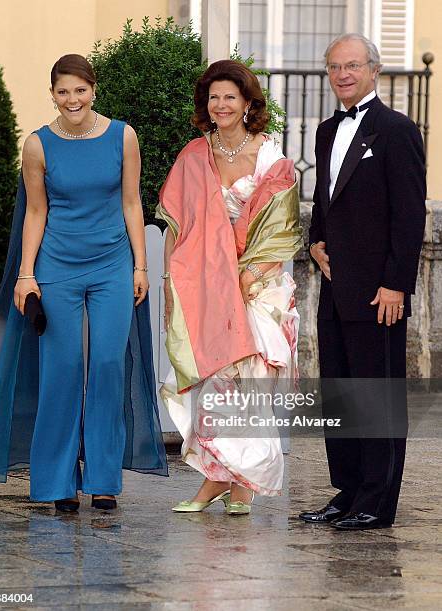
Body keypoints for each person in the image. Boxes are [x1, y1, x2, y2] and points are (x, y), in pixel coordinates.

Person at [0, 54, 167, 512]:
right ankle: (57, 482)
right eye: (63, 91)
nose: (72, 99)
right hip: (57, 267)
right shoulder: (37, 145)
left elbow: (132, 203)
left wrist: (140, 266)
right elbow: (35, 212)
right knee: (60, 372)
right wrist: (27, 275)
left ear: (93, 90)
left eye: (80, 90)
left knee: (105, 366)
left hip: (112, 266)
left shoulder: (123, 136)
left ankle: (103, 480)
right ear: (52, 95)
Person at [156, 60, 303, 515]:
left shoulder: (270, 158)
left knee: (248, 381)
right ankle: (215, 479)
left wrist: (249, 277)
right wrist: (170, 283)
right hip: (205, 285)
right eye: (214, 97)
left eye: (230, 97)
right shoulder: (194, 156)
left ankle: (243, 483)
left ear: (247, 104)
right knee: (214, 381)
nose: (221, 105)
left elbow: (282, 233)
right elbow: (176, 229)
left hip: (259, 286)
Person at [301, 34, 426, 530]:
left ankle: (376, 500)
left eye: (352, 66)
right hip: (335, 287)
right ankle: (347, 491)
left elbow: (409, 214)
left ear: (374, 70)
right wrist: (314, 241)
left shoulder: (397, 130)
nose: (343, 75)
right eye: (334, 67)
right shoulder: (328, 130)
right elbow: (324, 198)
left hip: (379, 292)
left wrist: (397, 284)